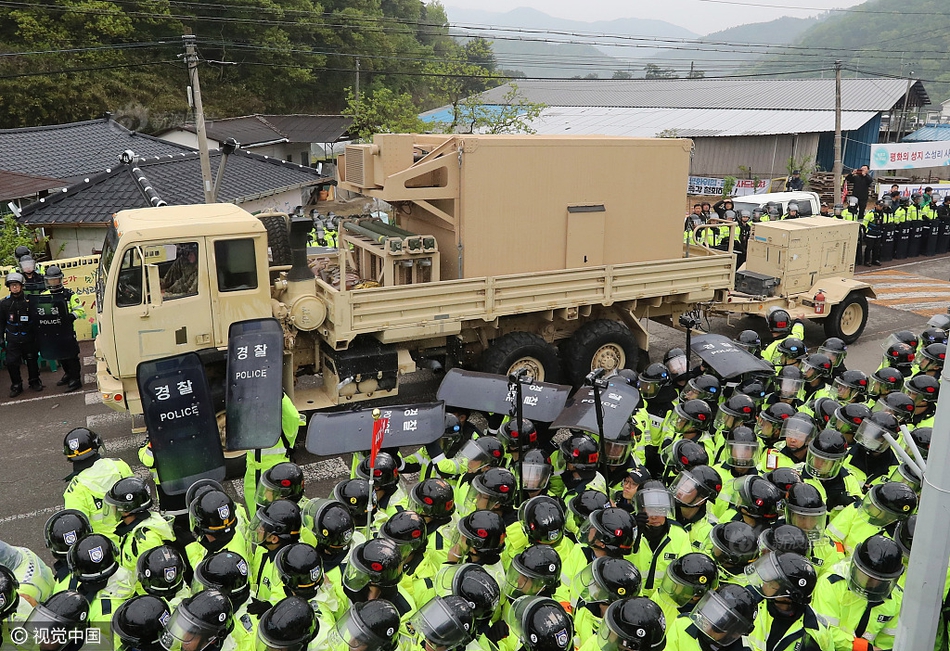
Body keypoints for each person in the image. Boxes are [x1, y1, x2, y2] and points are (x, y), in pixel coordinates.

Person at [62, 427, 133, 541]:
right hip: (134, 542)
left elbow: (76, 528)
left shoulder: (75, 491)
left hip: (106, 550)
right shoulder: (119, 466)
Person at [41, 264, 85, 391]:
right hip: (52, 330)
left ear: (60, 279)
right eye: (51, 280)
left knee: (71, 355)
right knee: (59, 354)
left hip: (67, 330)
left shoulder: (69, 294)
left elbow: (80, 310)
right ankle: (68, 374)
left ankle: (76, 379)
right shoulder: (44, 295)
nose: (53, 282)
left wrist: (71, 316)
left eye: (56, 280)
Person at [0, 272, 42, 396]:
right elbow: (1, 322)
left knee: (32, 359)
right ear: (9, 287)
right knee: (11, 362)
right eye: (12, 285)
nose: (14, 287)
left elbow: (37, 320)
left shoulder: (30, 301)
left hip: (28, 337)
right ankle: (16, 384)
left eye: (17, 285)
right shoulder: (4, 303)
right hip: (13, 339)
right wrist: (1, 338)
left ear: (22, 285)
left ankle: (34, 381)